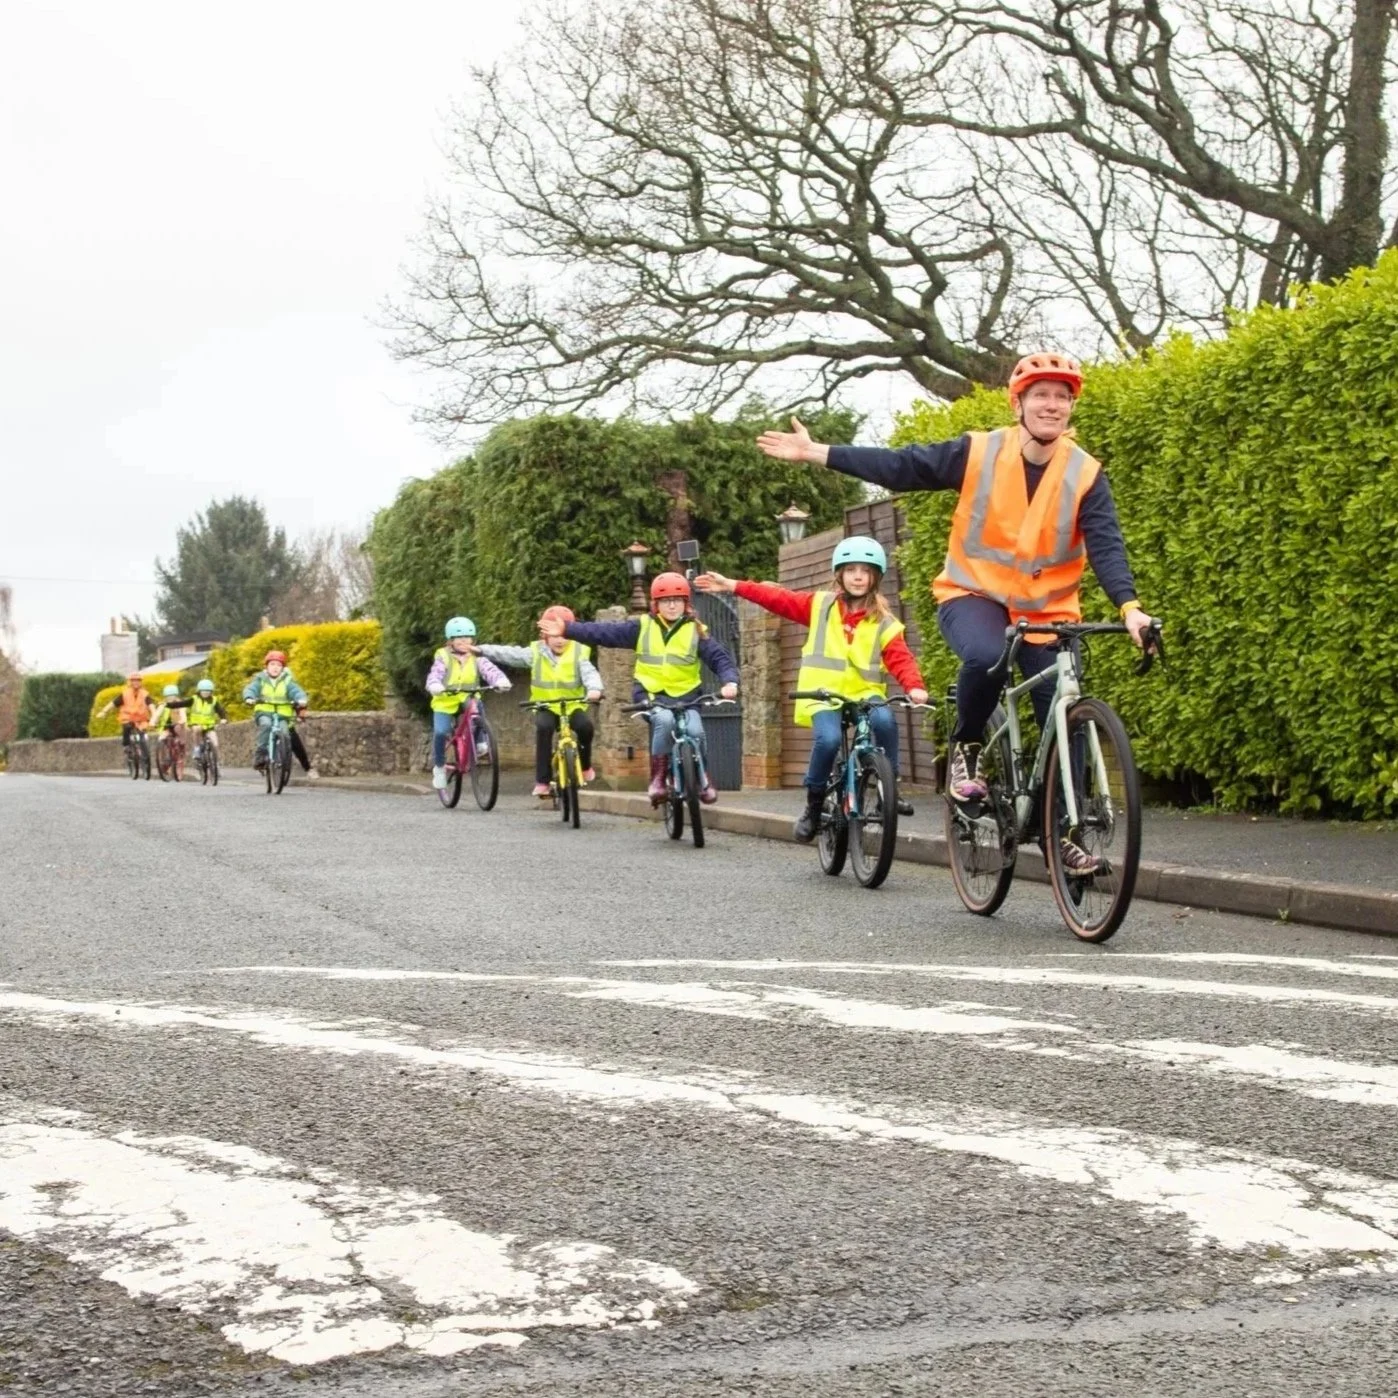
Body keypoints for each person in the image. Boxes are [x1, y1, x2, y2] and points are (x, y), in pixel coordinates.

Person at [756, 350, 1153, 873]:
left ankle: (1064, 833)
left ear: (1070, 409)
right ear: (1019, 404)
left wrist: (1130, 608)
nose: (1052, 405)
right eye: (1041, 395)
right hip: (972, 595)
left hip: (1046, 612)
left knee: (1066, 711)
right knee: (988, 654)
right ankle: (967, 748)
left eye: (1062, 397)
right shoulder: (981, 452)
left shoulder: (1085, 474)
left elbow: (1107, 545)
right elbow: (902, 467)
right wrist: (819, 453)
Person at [697, 538, 928, 841]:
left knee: (885, 721)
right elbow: (776, 598)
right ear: (839, 575)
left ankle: (889, 789)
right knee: (829, 739)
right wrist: (733, 585)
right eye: (851, 570)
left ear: (875, 577)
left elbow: (901, 658)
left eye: (865, 571)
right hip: (822, 693)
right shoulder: (820, 606)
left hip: (864, 693)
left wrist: (915, 687)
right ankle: (813, 807)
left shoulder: (884, 622)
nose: (858, 576)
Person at [538, 573, 738, 805]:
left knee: (695, 730)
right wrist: (568, 629)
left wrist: (730, 682)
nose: (672, 605)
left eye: (678, 600)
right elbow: (604, 633)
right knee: (664, 722)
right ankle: (658, 779)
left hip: (688, 695)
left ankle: (703, 778)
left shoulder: (696, 629)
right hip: (653, 695)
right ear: (656, 604)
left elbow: (719, 658)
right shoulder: (642, 626)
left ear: (686, 603)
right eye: (666, 600)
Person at [473, 606, 603, 797]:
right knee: (543, 728)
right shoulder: (536, 653)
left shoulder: (578, 653)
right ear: (545, 636)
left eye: (564, 635)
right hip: (545, 706)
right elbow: (510, 654)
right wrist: (482, 650)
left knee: (586, 727)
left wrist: (595, 690)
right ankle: (543, 781)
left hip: (572, 705)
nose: (560, 640)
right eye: (554, 636)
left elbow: (590, 673)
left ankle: (584, 766)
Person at [425, 617, 511, 791]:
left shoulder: (476, 657)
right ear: (450, 641)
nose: (464, 641)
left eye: (467, 637)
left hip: (467, 697)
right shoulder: (443, 656)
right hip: (445, 700)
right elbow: (435, 674)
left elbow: (490, 671)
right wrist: (435, 685)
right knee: (441, 732)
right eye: (459, 637)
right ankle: (440, 768)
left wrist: (501, 681)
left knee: (477, 707)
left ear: (473, 639)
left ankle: (480, 741)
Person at [243, 650, 317, 779]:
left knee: (286, 734)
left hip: (283, 715)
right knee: (265, 725)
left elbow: (296, 691)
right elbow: (251, 689)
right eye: (272, 664)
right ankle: (261, 754)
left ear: (283, 668)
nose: (275, 667)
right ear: (266, 666)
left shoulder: (287, 681)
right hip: (265, 712)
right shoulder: (260, 679)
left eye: (278, 665)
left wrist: (301, 699)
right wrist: (249, 697)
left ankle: (285, 761)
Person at [98, 673, 153, 752]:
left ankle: (144, 756)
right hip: (128, 718)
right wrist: (103, 711)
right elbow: (113, 703)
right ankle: (126, 745)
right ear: (130, 682)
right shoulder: (125, 694)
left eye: (138, 680)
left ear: (141, 682)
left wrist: (154, 716)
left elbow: (151, 705)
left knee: (143, 738)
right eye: (134, 681)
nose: (136, 682)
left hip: (141, 720)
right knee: (127, 727)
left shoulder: (145, 694)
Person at [187, 677, 229, 764]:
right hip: (197, 724)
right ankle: (197, 749)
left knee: (215, 744)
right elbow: (182, 704)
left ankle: (215, 764)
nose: (206, 693)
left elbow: (220, 710)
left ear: (211, 691)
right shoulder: (194, 699)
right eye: (203, 691)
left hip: (209, 726)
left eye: (208, 691)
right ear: (199, 691)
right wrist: (169, 705)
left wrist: (223, 719)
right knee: (196, 730)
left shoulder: (214, 700)